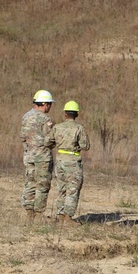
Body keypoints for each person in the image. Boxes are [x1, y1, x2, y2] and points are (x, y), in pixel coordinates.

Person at [48, 100, 90, 225]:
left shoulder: (57, 127)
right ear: (77, 114)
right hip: (73, 161)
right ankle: (68, 218)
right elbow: (85, 146)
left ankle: (60, 216)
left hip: (60, 161)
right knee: (72, 190)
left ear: (65, 113)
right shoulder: (79, 128)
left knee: (62, 189)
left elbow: (48, 142)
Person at [20, 89, 55, 222]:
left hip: (29, 155)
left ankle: (29, 213)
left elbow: (23, 136)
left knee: (30, 183)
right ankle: (39, 214)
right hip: (43, 158)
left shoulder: (26, 116)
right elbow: (50, 139)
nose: (50, 107)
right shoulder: (45, 119)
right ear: (45, 104)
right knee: (42, 184)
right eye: (49, 104)